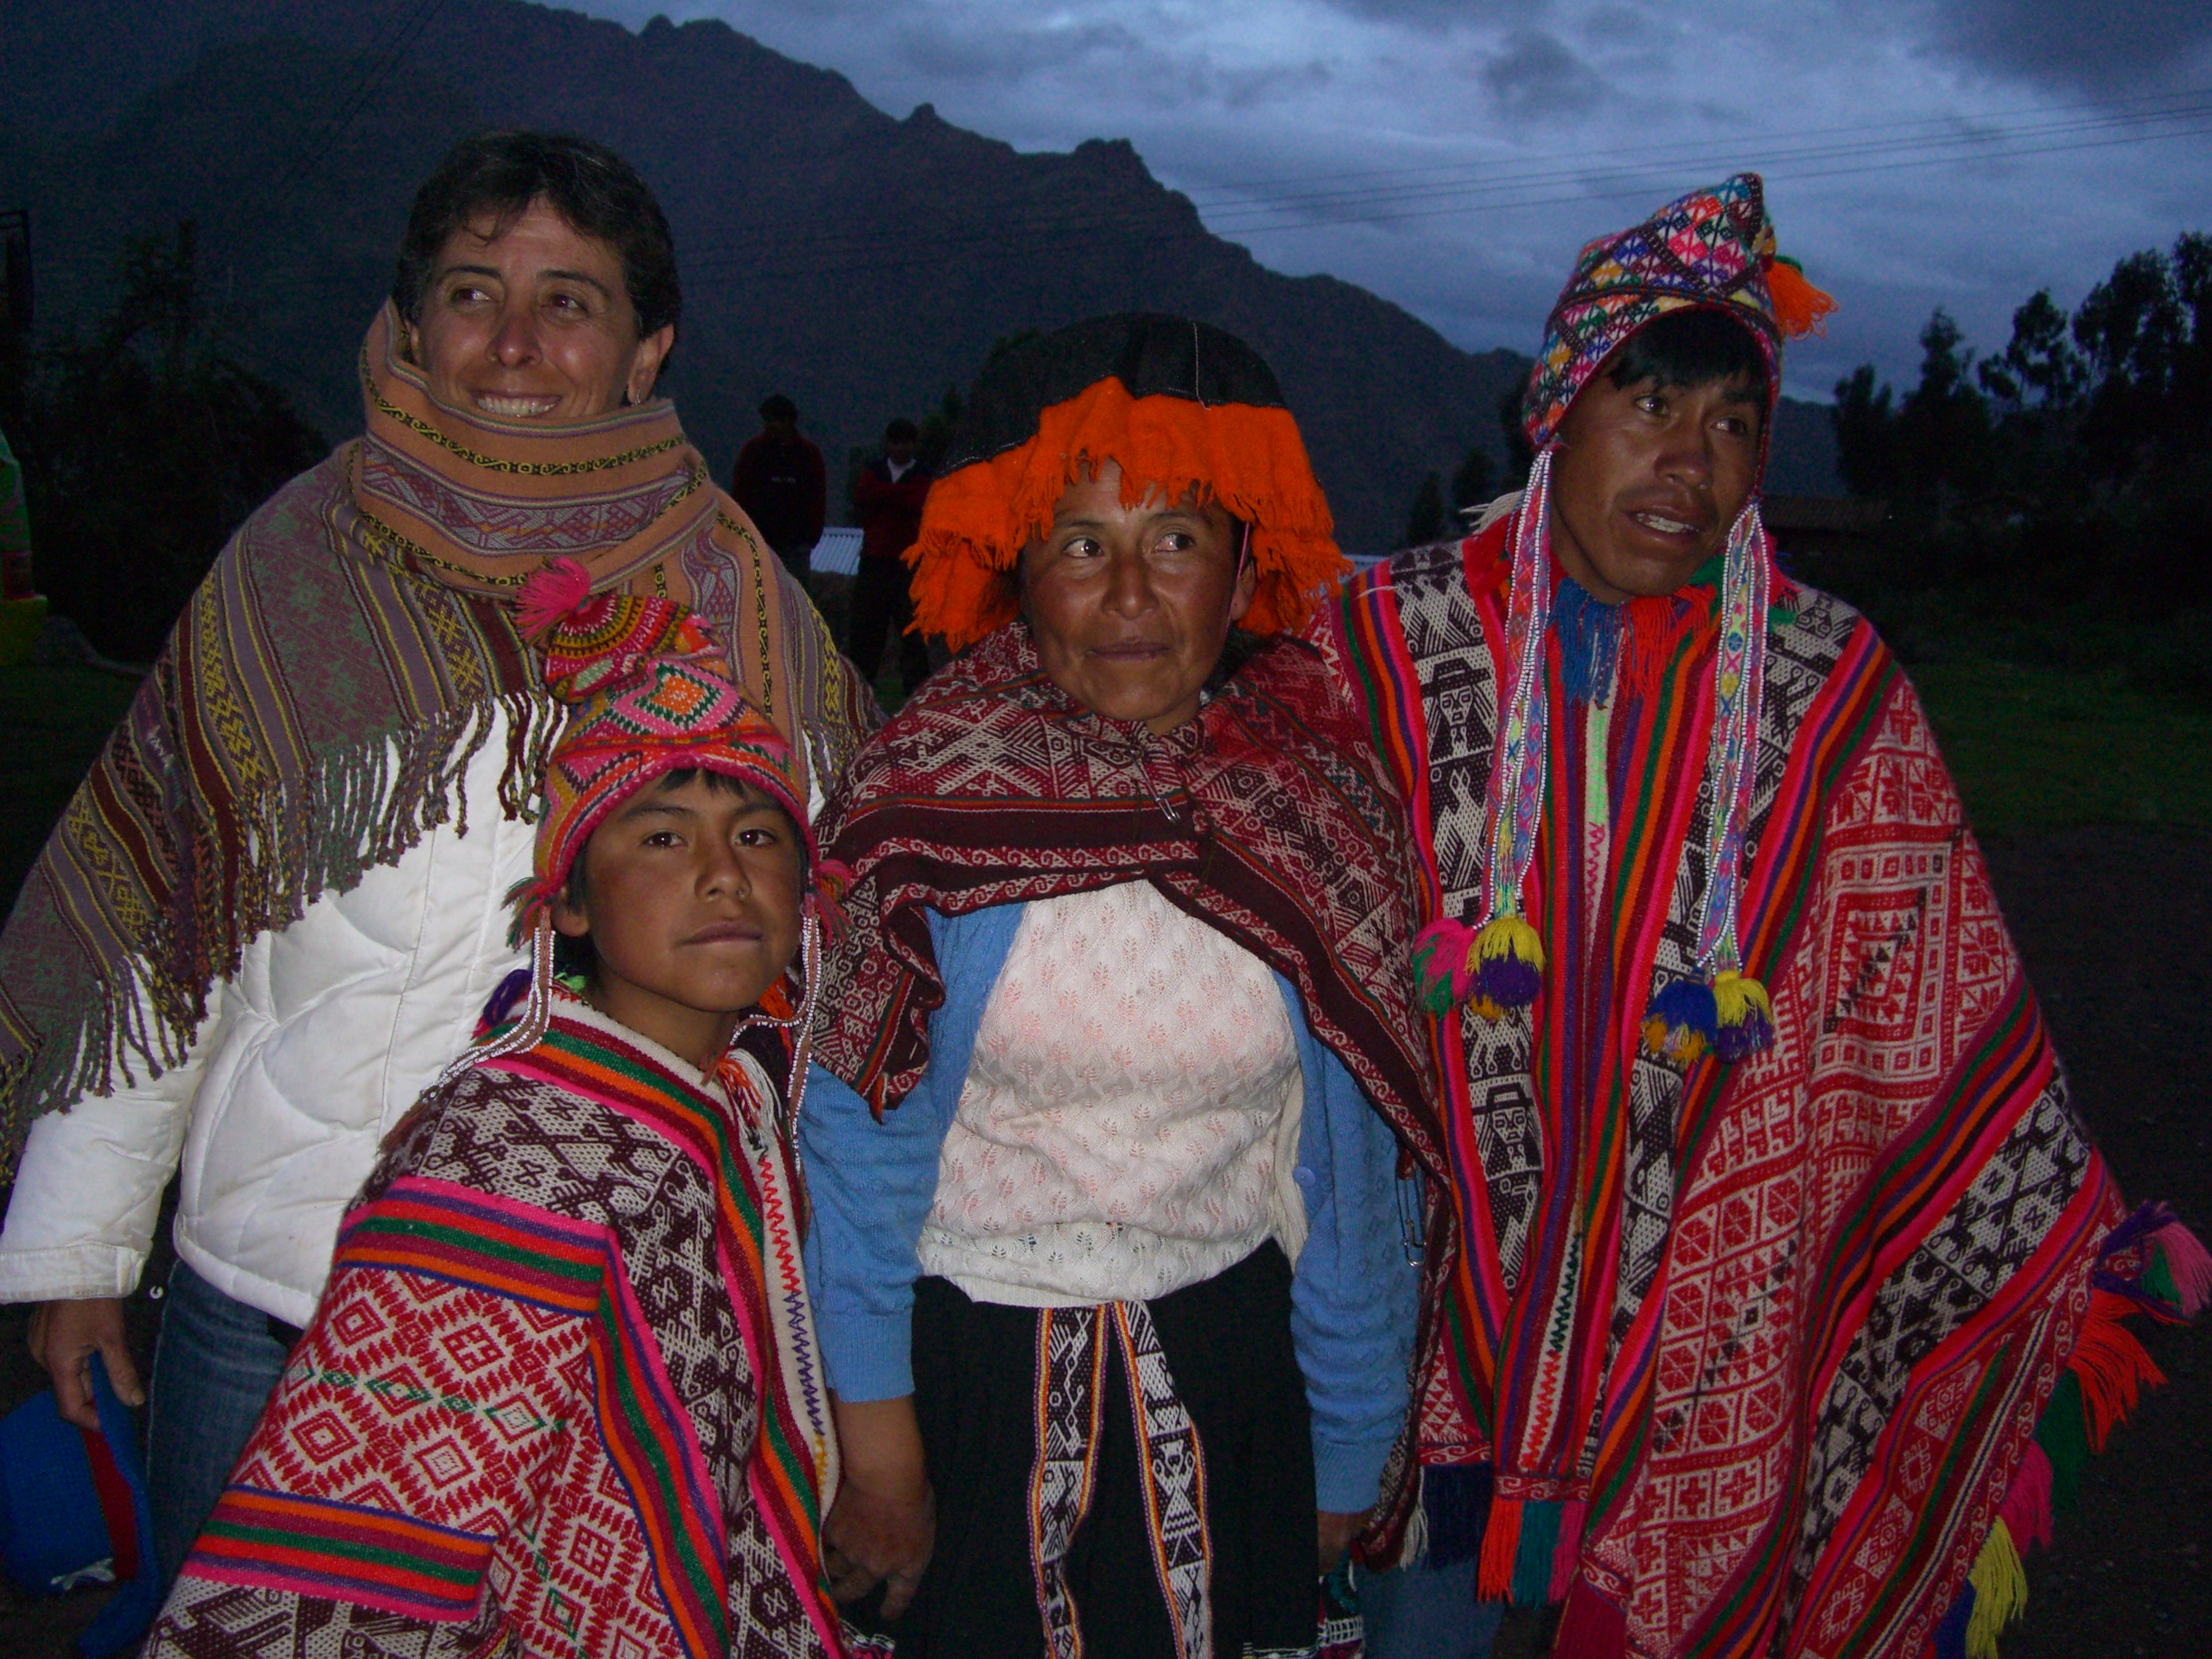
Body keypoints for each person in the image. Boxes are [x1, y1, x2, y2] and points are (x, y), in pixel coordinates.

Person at [1312, 173, 2207, 1657]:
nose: (1690, 461)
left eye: (1733, 424)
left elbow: (1921, 987)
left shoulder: (1824, 682)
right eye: (1649, 402)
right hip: (1423, 1334)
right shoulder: (1382, 649)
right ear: (1558, 411)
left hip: (1698, 1353)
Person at [0, 129, 876, 1597]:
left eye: (570, 301)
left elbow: (832, 960)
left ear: (647, 347)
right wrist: (79, 1245)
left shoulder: (745, 607)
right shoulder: (287, 567)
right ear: (412, 326)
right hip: (275, 1283)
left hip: (598, 1306)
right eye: (473, 292)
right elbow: (162, 922)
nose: (514, 342)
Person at [798, 313, 1453, 1659]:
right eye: (1083, 545)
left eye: (1178, 540)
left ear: (1242, 567)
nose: (1133, 597)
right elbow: (854, 1150)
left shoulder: (1315, 821)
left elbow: (1351, 1185)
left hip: (1228, 1378)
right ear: (1020, 571)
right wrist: (875, 1446)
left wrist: (1344, 1456)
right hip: (955, 1380)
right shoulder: (930, 800)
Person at [142, 565, 848, 1657]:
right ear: (563, 900)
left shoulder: (738, 1094)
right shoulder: (505, 1159)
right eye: (661, 838)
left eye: (759, 837)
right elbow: (366, 1555)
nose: (722, 875)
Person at [846, 416, 933, 695]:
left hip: (908, 565)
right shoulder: (875, 472)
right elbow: (863, 497)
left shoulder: (920, 475)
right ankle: (861, 691)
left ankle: (915, 693)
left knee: (912, 633)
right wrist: (900, 497)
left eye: (905, 442)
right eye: (895, 442)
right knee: (867, 631)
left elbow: (920, 502)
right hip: (874, 562)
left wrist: (886, 497)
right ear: (888, 444)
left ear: (913, 445)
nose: (900, 448)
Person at [734, 393, 829, 582]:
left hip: (797, 543)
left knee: (796, 595)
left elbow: (817, 496)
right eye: (767, 419)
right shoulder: (753, 451)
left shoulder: (808, 454)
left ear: (790, 421)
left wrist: (811, 536)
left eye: (776, 419)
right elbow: (740, 493)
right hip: (760, 540)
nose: (771, 425)